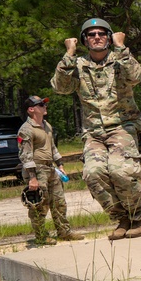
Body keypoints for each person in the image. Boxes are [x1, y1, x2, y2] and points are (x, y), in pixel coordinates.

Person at [51, 18, 141, 240]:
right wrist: (69, 54)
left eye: (102, 34)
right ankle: (122, 219)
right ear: (85, 40)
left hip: (122, 127)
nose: (96, 37)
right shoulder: (78, 65)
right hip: (94, 132)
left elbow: (137, 77)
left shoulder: (120, 60)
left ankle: (138, 219)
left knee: (120, 171)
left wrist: (121, 47)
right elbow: (60, 88)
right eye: (91, 35)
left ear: (109, 38)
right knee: (93, 174)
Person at [17, 96, 83, 245]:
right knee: (40, 204)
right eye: (41, 104)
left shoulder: (47, 125)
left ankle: (64, 232)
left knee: (59, 202)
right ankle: (41, 236)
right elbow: (25, 155)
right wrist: (32, 178)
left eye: (45, 104)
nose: (44, 106)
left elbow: (52, 147)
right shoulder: (26, 130)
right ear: (31, 109)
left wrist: (60, 165)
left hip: (50, 168)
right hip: (37, 170)